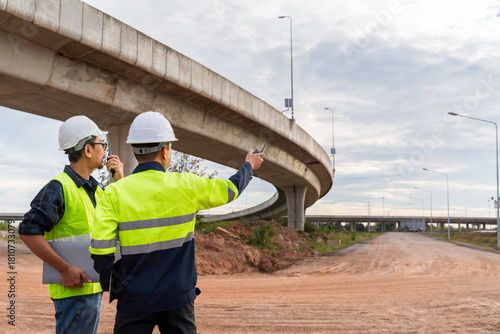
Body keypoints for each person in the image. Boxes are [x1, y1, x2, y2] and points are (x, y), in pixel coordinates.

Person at [89, 111, 264, 334]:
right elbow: (231, 189)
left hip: (134, 298)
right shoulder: (186, 185)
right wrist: (249, 165)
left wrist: (115, 285)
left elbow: (100, 250)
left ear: (133, 150)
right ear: (165, 150)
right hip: (177, 297)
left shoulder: (114, 192)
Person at [18, 115, 124, 334]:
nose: (104, 150)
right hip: (73, 292)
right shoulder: (59, 187)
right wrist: (64, 268)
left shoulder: (97, 190)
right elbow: (28, 231)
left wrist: (119, 180)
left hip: (90, 288)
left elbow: (124, 217)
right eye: (101, 144)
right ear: (87, 150)